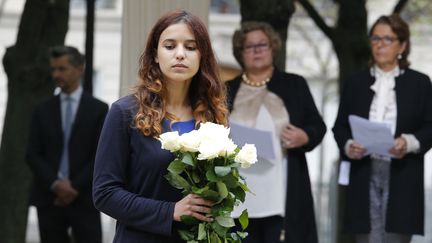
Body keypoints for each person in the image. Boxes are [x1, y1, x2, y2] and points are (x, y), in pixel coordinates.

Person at [92, 10, 229, 243]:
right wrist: (170, 211)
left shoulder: (214, 116)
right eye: (169, 46)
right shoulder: (125, 113)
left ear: (201, 55)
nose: (180, 54)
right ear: (155, 54)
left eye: (190, 47)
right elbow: (104, 194)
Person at [332, 14, 432, 243]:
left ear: (402, 45)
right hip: (364, 172)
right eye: (375, 38)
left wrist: (408, 142)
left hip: (401, 173)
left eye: (387, 39)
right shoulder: (355, 83)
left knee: (395, 237)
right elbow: (340, 127)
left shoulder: (420, 83)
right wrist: (349, 146)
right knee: (367, 237)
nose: (380, 45)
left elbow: (430, 127)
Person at [226, 21, 326, 243]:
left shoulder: (294, 84)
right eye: (249, 46)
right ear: (240, 53)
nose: (257, 50)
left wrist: (305, 136)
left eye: (263, 44)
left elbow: (317, 126)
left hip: (281, 193)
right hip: (239, 195)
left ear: (273, 48)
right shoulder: (226, 90)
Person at [26, 45, 108, 243]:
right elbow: (32, 154)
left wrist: (73, 187)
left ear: (80, 68)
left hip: (85, 199)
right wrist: (57, 185)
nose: (56, 74)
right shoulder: (42, 110)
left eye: (62, 69)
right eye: (53, 69)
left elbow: (101, 155)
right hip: (49, 198)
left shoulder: (98, 109)